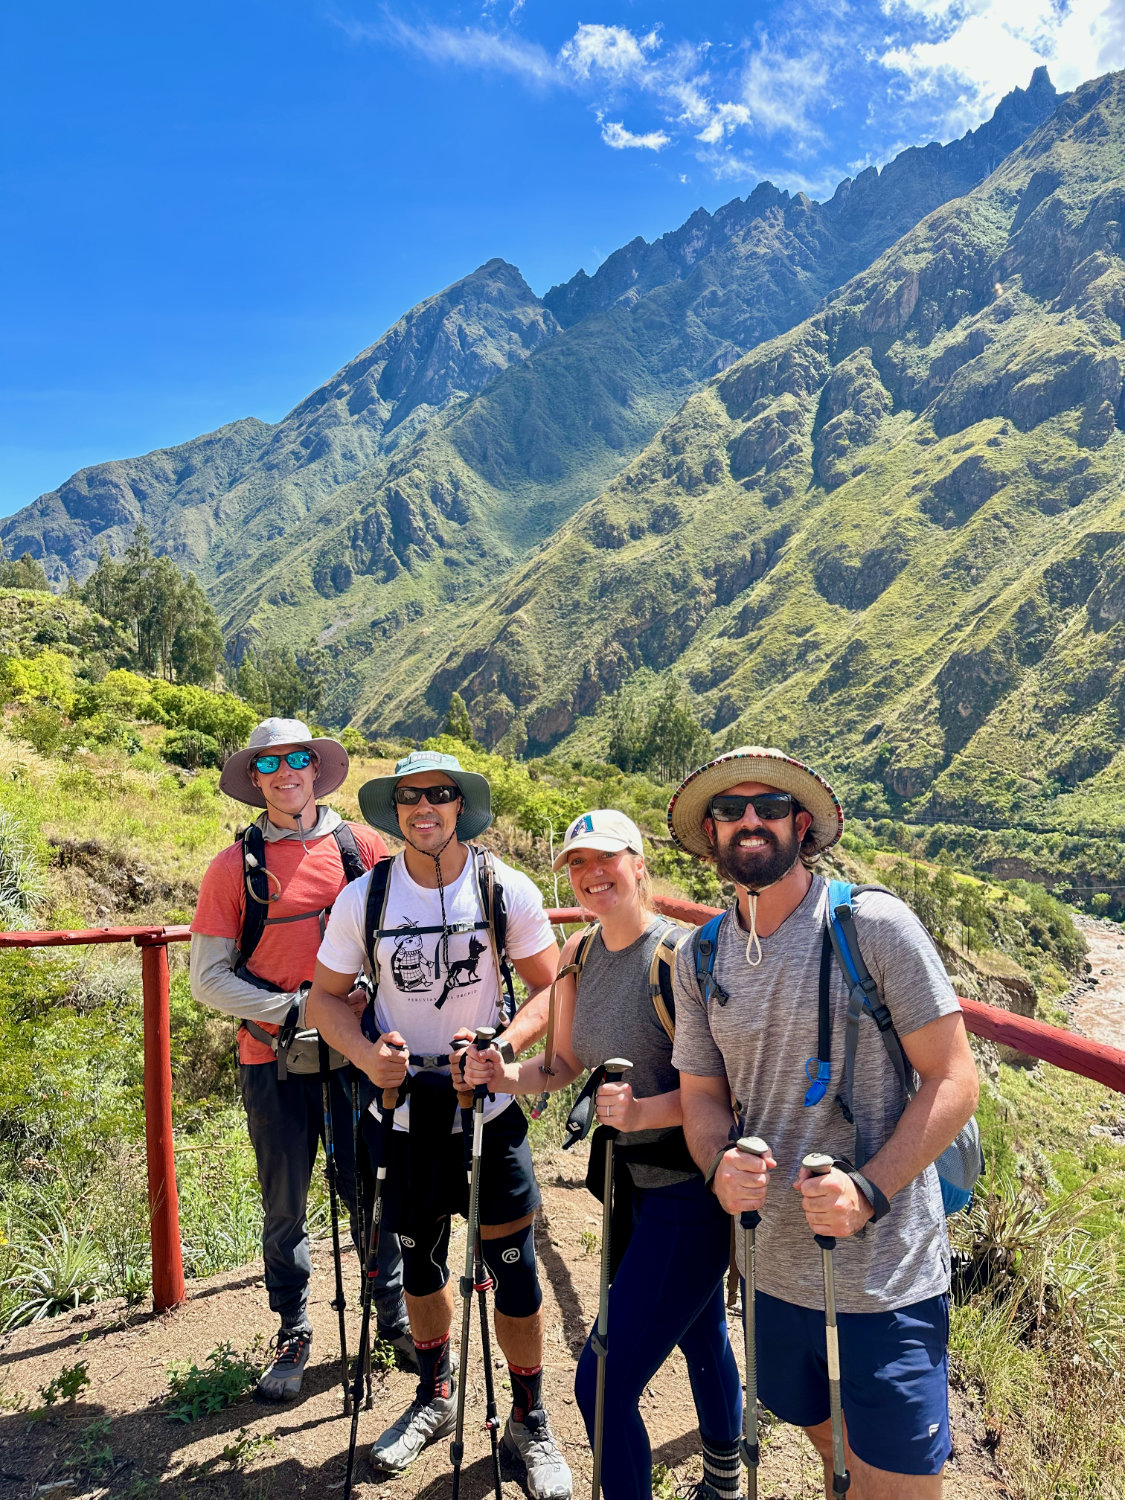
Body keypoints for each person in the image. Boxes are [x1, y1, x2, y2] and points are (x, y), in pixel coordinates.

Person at [666, 746, 980, 1500]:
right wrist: (715, 1164)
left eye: (769, 807)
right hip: (770, 1271)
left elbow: (953, 1077)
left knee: (894, 1484)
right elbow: (702, 1097)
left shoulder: (871, 927)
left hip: (885, 1278)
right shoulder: (699, 957)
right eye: (729, 810)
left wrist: (868, 1192)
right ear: (708, 834)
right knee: (829, 1452)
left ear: (800, 825)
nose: (749, 821)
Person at [306, 748, 573, 1499]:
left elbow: (553, 992)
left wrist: (503, 1047)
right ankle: (434, 1398)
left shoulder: (502, 886)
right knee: (420, 1263)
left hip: (486, 1108)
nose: (424, 807)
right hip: (400, 1111)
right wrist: (365, 1055)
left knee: (513, 1273)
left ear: (462, 806)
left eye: (440, 795)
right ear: (395, 812)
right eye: (409, 796)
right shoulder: (366, 897)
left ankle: (529, 1417)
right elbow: (325, 999)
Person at [464, 808, 744, 1500]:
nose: (591, 876)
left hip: (688, 1192)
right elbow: (559, 1067)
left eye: (606, 860)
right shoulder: (578, 956)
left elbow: (727, 1093)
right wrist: (502, 1071)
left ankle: (707, 1477)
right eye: (577, 865)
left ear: (639, 865)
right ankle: (723, 1476)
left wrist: (644, 1111)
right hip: (628, 1188)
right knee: (700, 1327)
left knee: (601, 1380)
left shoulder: (681, 957)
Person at [189, 717, 410, 1400]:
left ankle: (395, 1317)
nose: (285, 772)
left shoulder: (363, 848)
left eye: (296, 758)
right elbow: (206, 978)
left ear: (315, 768)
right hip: (270, 1058)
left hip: (355, 1057)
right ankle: (293, 1329)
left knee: (370, 1187)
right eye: (269, 763)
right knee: (283, 1201)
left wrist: (359, 998)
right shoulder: (233, 868)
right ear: (255, 780)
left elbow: (396, 937)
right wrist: (300, 1009)